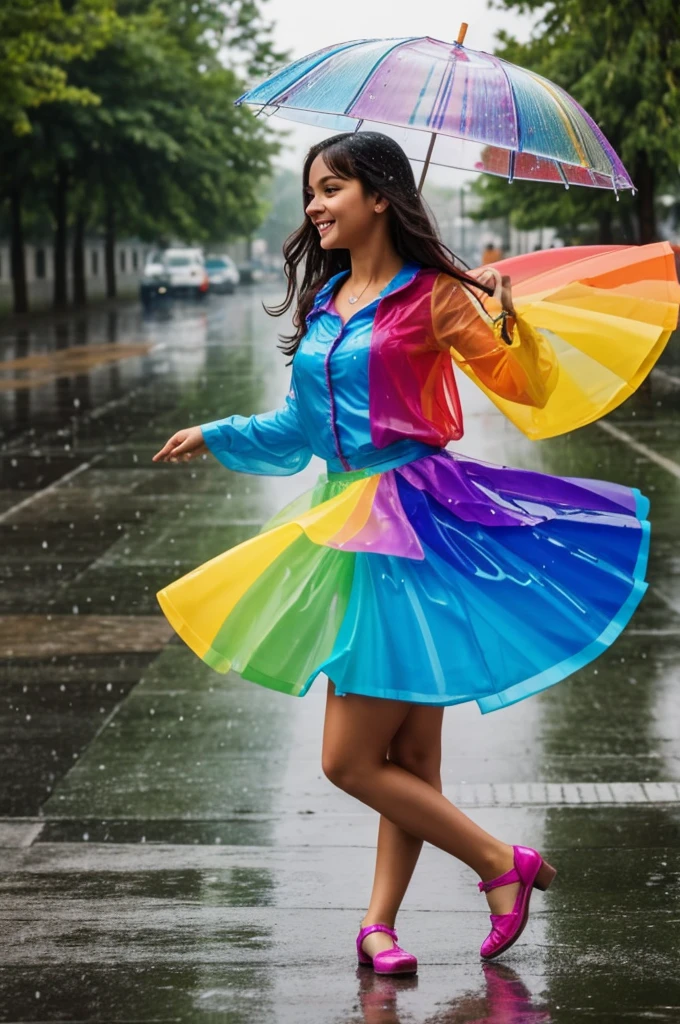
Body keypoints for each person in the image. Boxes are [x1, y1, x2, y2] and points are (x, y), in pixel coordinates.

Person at [153, 132, 678, 974]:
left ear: (380, 198)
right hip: (347, 522)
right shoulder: (323, 305)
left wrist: (507, 318)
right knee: (411, 758)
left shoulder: (436, 297)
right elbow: (297, 430)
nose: (316, 206)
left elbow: (524, 388)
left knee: (350, 760)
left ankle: (501, 864)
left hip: (422, 522)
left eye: (332, 188)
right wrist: (216, 433)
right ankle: (378, 926)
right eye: (311, 192)